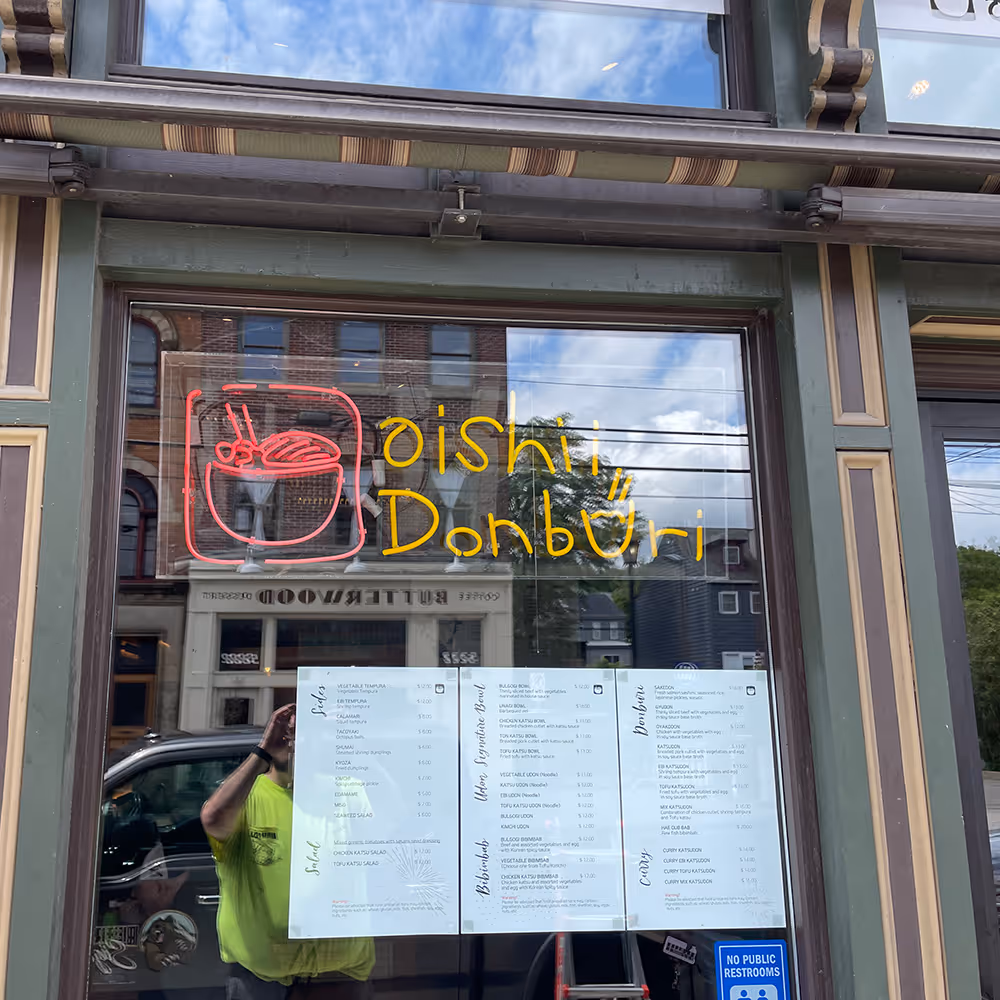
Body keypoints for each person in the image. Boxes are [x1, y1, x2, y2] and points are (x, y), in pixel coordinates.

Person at [201, 704, 375, 1000]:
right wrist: (263, 753)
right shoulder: (247, 796)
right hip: (262, 981)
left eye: (303, 733)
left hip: (339, 975)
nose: (292, 741)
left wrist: (351, 745)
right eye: (287, 732)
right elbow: (213, 819)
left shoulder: (347, 791)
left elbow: (397, 830)